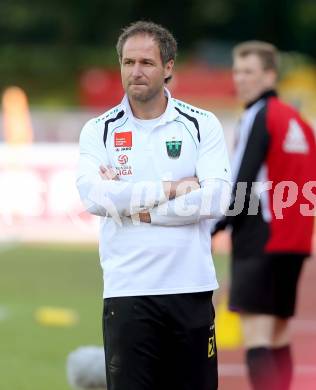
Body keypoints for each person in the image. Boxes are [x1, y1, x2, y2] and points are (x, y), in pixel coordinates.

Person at [76, 21, 231, 390]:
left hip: (190, 288)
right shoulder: (99, 129)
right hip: (127, 292)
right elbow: (94, 197)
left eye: (146, 62)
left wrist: (138, 207)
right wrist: (171, 188)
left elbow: (216, 198)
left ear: (169, 67)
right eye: (128, 62)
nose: (136, 71)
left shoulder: (201, 124)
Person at [212, 41, 316, 390]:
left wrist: (217, 226)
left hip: (262, 235)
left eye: (249, 72)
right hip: (295, 239)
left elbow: (243, 179)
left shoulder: (259, 115)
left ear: (270, 75)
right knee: (278, 332)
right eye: (237, 71)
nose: (240, 79)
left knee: (257, 334)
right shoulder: (297, 121)